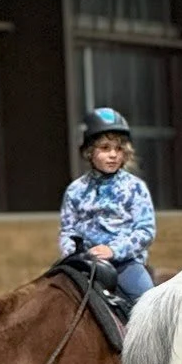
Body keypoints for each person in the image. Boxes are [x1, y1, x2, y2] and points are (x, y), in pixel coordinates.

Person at [58, 107, 157, 306]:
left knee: (150, 306)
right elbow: (67, 231)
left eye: (118, 149)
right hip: (84, 264)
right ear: (89, 152)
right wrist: (74, 254)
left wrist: (113, 250)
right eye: (105, 148)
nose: (113, 155)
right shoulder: (76, 190)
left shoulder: (135, 187)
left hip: (125, 265)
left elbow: (145, 231)